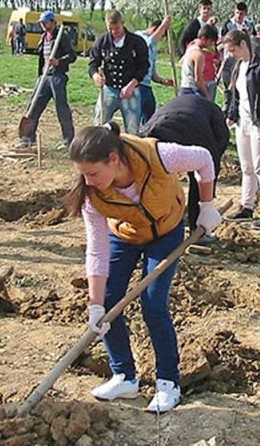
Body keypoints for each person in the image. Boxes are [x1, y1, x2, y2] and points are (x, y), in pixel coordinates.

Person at [66, 122, 221, 413]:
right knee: (110, 301)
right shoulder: (92, 197)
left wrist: (206, 205)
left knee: (153, 303)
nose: (87, 182)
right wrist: (95, 305)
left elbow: (203, 158)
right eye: (83, 174)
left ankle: (168, 382)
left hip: (166, 231)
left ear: (114, 159)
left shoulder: (158, 155)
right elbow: (97, 250)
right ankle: (124, 376)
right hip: (124, 235)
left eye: (92, 173)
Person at [141, 95, 229, 246]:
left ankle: (157, 227)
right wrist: (207, 206)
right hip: (177, 129)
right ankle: (194, 229)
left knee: (153, 176)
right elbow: (209, 170)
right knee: (199, 176)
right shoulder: (212, 131)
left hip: (156, 128)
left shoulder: (207, 121)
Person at [223, 29, 260, 230]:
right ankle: (246, 207)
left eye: (232, 50)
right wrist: (231, 117)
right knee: (246, 167)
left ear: (242, 45)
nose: (230, 54)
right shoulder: (239, 66)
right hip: (243, 123)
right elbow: (235, 96)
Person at [16, 10, 77, 149]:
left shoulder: (62, 36)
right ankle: (27, 138)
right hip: (43, 77)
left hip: (57, 77)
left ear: (53, 22)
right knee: (34, 105)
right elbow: (41, 58)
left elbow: (72, 56)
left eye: (45, 22)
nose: (43, 25)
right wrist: (39, 75)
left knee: (62, 109)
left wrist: (59, 61)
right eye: (41, 23)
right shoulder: (43, 37)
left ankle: (69, 140)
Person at [89, 10, 150, 134]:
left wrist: (132, 85)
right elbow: (93, 63)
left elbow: (144, 66)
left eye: (116, 28)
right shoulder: (102, 41)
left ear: (123, 23)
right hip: (109, 90)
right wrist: (95, 76)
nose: (114, 32)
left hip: (131, 90)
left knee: (132, 129)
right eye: (110, 29)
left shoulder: (137, 42)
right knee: (98, 125)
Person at [135, 17, 175, 125]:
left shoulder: (153, 48)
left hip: (146, 86)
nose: (159, 40)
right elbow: (148, 43)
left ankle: (145, 137)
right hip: (136, 84)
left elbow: (152, 73)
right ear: (154, 29)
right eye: (161, 35)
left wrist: (162, 81)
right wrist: (164, 25)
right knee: (136, 117)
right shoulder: (139, 37)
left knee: (150, 115)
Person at [180, 25, 219, 97]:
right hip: (193, 90)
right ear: (203, 39)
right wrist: (207, 95)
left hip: (184, 87)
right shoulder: (199, 55)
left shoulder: (191, 46)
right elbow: (198, 79)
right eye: (211, 41)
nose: (212, 44)